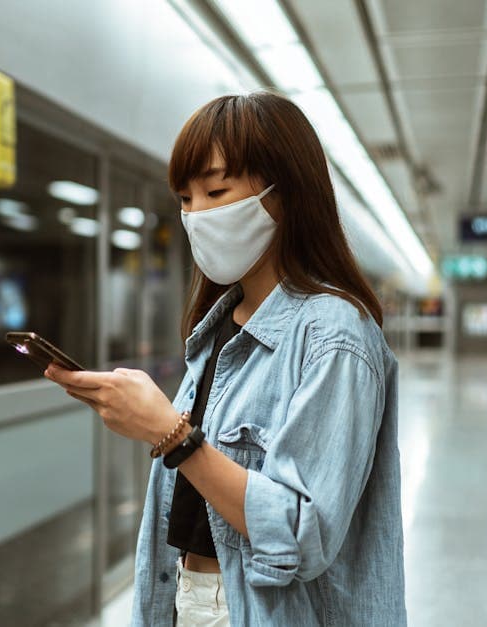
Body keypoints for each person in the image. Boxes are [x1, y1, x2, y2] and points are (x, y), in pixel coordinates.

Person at [45, 91, 405, 626]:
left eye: (216, 190)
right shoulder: (219, 324)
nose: (197, 215)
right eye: (185, 199)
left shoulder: (335, 334)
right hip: (188, 596)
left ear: (284, 195)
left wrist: (171, 435)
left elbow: (302, 533)